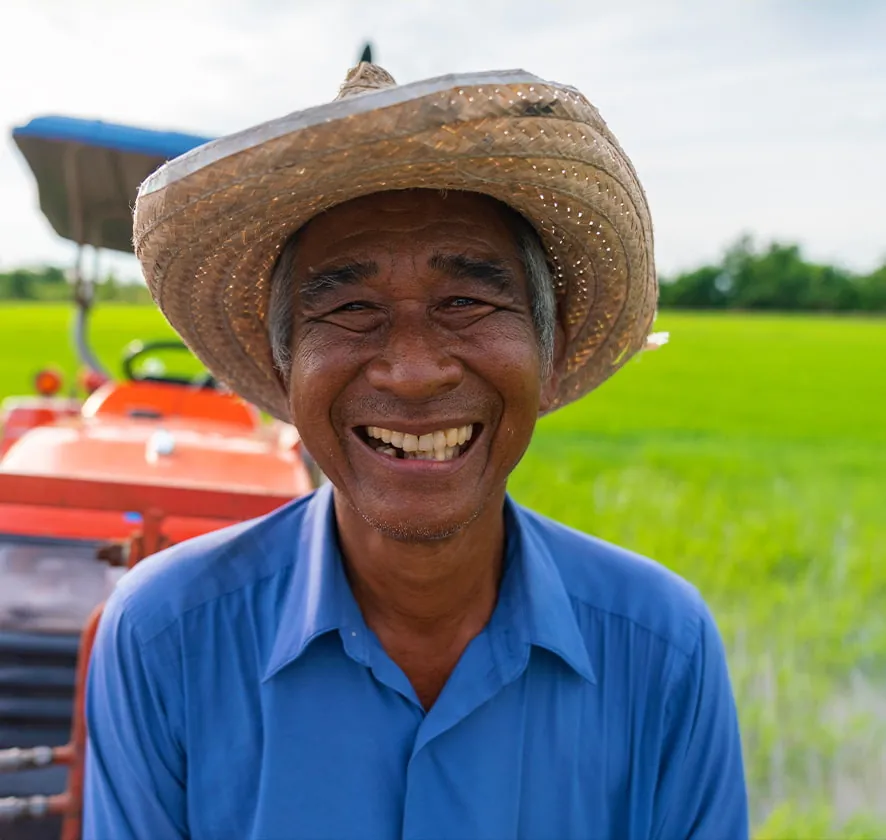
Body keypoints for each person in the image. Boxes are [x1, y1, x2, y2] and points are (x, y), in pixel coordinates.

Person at [83, 62, 748, 839]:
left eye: (465, 302)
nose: (413, 371)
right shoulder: (167, 637)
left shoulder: (661, 649)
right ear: (281, 369)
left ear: (551, 346)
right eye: (352, 309)